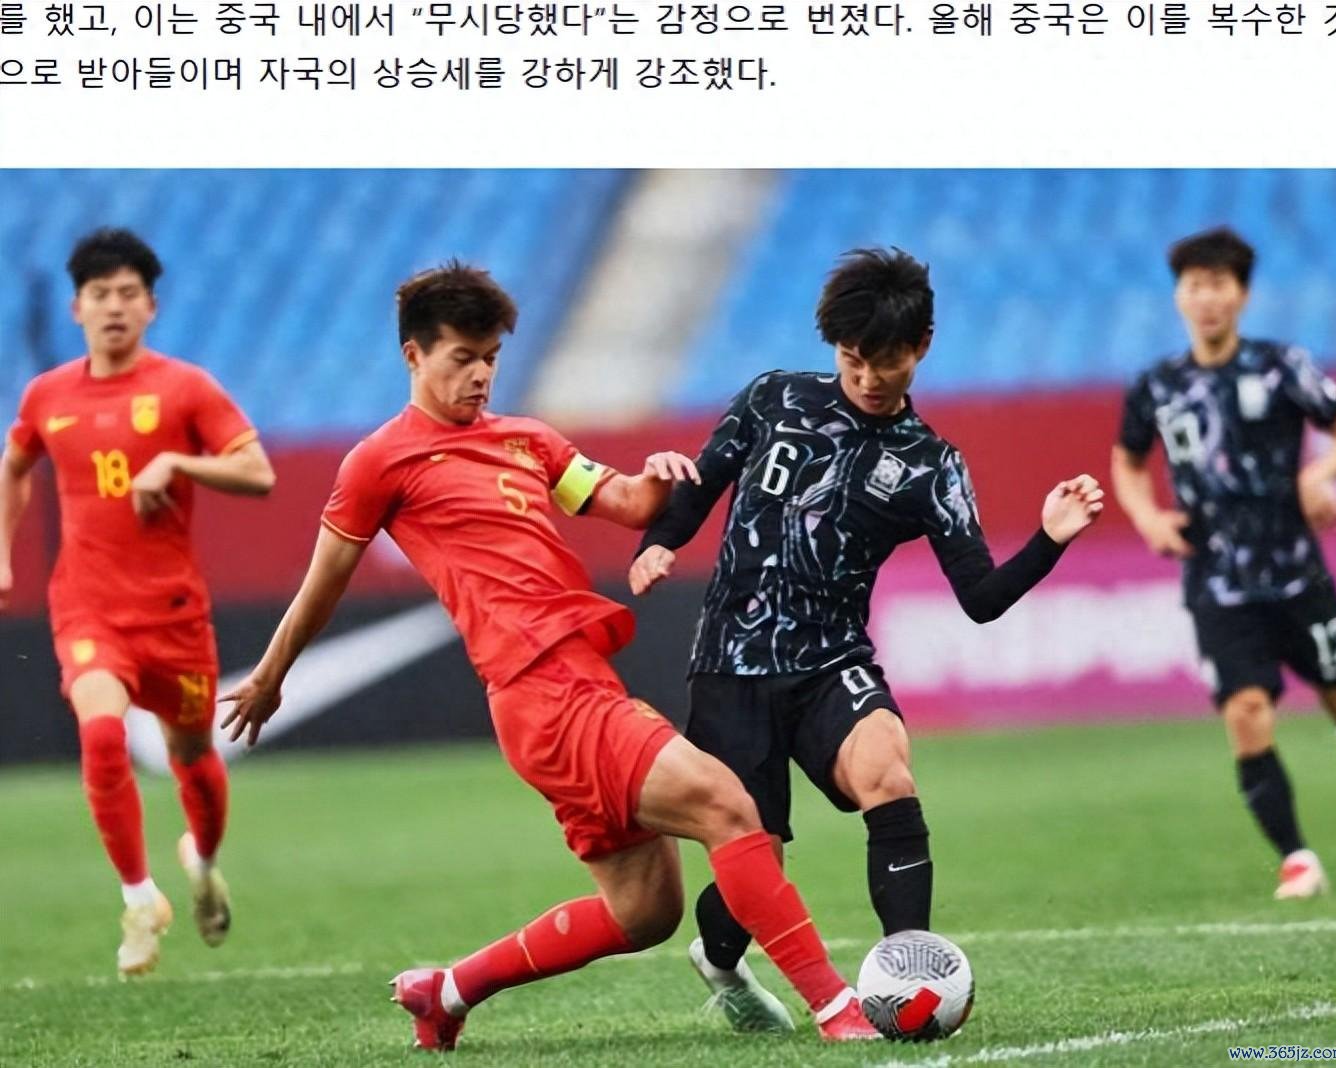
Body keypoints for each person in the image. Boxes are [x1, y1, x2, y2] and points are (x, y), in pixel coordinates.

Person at [220, 261, 880, 1051]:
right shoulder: (379, 461)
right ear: (413, 356)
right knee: (727, 805)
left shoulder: (527, 441)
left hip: (581, 681)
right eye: (462, 358)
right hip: (539, 689)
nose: (481, 375)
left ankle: (447, 992)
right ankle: (838, 1009)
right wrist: (270, 675)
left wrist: (660, 477)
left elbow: (627, 502)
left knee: (646, 912)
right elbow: (323, 582)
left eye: (491, 357)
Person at [629, 247, 1103, 1033]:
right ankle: (719, 958)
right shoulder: (773, 397)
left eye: (887, 360)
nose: (869, 376)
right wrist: (659, 543)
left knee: (888, 772)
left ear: (922, 346)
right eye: (853, 358)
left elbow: (981, 599)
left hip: (831, 661)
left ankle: (909, 977)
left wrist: (1048, 540)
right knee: (756, 859)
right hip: (732, 663)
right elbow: (702, 483)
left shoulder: (931, 466)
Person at [0, 228, 275, 976]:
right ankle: (138, 898)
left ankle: (203, 861)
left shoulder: (185, 388)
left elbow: (259, 473)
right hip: (87, 607)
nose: (114, 307)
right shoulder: (47, 395)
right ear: (77, 308)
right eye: (100, 295)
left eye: (128, 294)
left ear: (151, 306)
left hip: (172, 614)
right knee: (100, 735)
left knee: (193, 759)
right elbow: (15, 463)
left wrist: (178, 462)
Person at [1111, 226, 1336, 900]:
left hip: (1296, 573)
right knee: (1246, 710)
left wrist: (1320, 473)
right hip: (1216, 581)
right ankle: (1297, 858)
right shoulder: (1157, 385)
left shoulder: (1282, 365)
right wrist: (1148, 517)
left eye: (1219, 284)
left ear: (1242, 294)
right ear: (1180, 297)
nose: (1207, 298)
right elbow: (1127, 460)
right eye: (1195, 285)